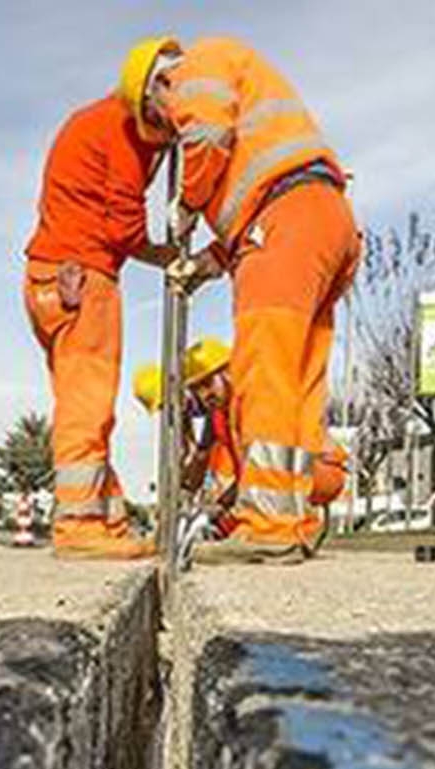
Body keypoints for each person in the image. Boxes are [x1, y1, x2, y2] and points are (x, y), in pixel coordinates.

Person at [121, 34, 360, 565]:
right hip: (321, 218)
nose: (167, 131)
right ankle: (290, 518)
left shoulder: (196, 70)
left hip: (282, 220)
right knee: (299, 380)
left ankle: (270, 525)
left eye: (160, 121)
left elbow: (205, 136)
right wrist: (203, 266)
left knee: (264, 372)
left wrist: (185, 204)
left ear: (158, 86)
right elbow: (242, 225)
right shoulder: (243, 80)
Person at [23, 83, 176, 560]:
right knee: (89, 404)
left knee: (82, 403)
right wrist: (169, 255)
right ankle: (79, 526)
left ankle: (107, 521)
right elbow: (124, 229)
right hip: (85, 276)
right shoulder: (123, 130)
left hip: (48, 277)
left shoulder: (92, 120)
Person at [134, 338, 350, 548]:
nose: (204, 395)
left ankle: (280, 530)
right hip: (292, 472)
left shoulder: (255, 399)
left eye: (207, 383)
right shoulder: (220, 412)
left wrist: (216, 506)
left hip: (322, 469)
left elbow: (254, 472)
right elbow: (207, 461)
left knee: (245, 498)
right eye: (197, 389)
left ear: (229, 370)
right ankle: (272, 528)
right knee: (234, 509)